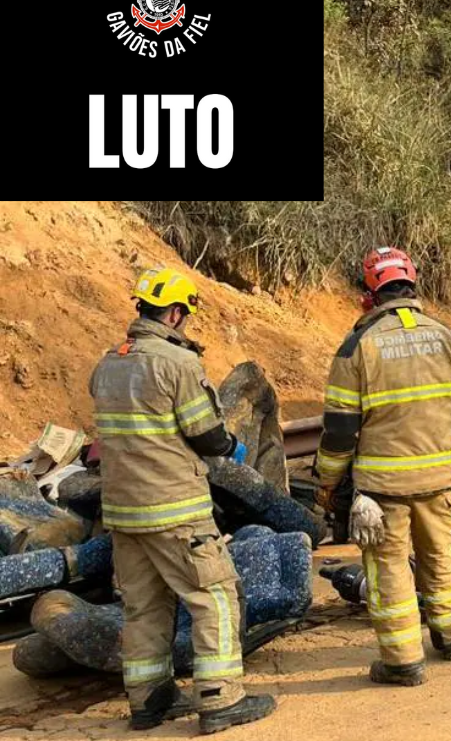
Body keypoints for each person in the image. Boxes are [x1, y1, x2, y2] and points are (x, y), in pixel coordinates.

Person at [90, 267, 275, 734]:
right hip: (175, 509)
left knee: (144, 606)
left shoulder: (109, 363)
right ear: (174, 313)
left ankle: (149, 699)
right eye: (186, 314)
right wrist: (230, 443)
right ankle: (219, 699)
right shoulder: (177, 363)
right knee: (214, 595)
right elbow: (207, 436)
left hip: (123, 513)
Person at [314, 247, 451, 685]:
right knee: (441, 556)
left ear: (369, 295)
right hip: (440, 478)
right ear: (413, 285)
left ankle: (403, 661)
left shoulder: (357, 347)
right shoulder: (450, 340)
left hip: (383, 487)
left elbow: (340, 429)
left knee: (388, 569)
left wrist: (328, 480)